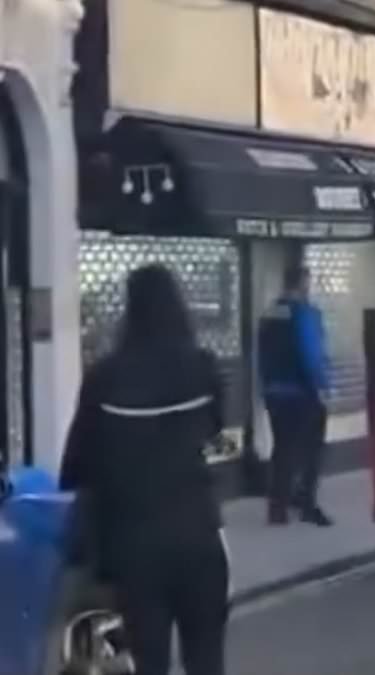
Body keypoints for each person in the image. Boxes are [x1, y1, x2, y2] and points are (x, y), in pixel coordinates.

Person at [60, 264, 228, 675]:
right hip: (200, 538)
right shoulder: (203, 368)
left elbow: (76, 465)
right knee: (206, 661)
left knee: (145, 661)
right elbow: (216, 430)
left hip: (133, 548)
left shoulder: (104, 377)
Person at [259, 265, 332, 527]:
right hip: (302, 392)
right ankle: (307, 505)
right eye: (307, 283)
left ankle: (277, 509)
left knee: (282, 450)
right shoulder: (305, 313)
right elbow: (311, 354)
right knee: (312, 451)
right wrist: (322, 387)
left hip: (274, 392)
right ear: (302, 283)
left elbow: (262, 355)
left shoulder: (269, 313)